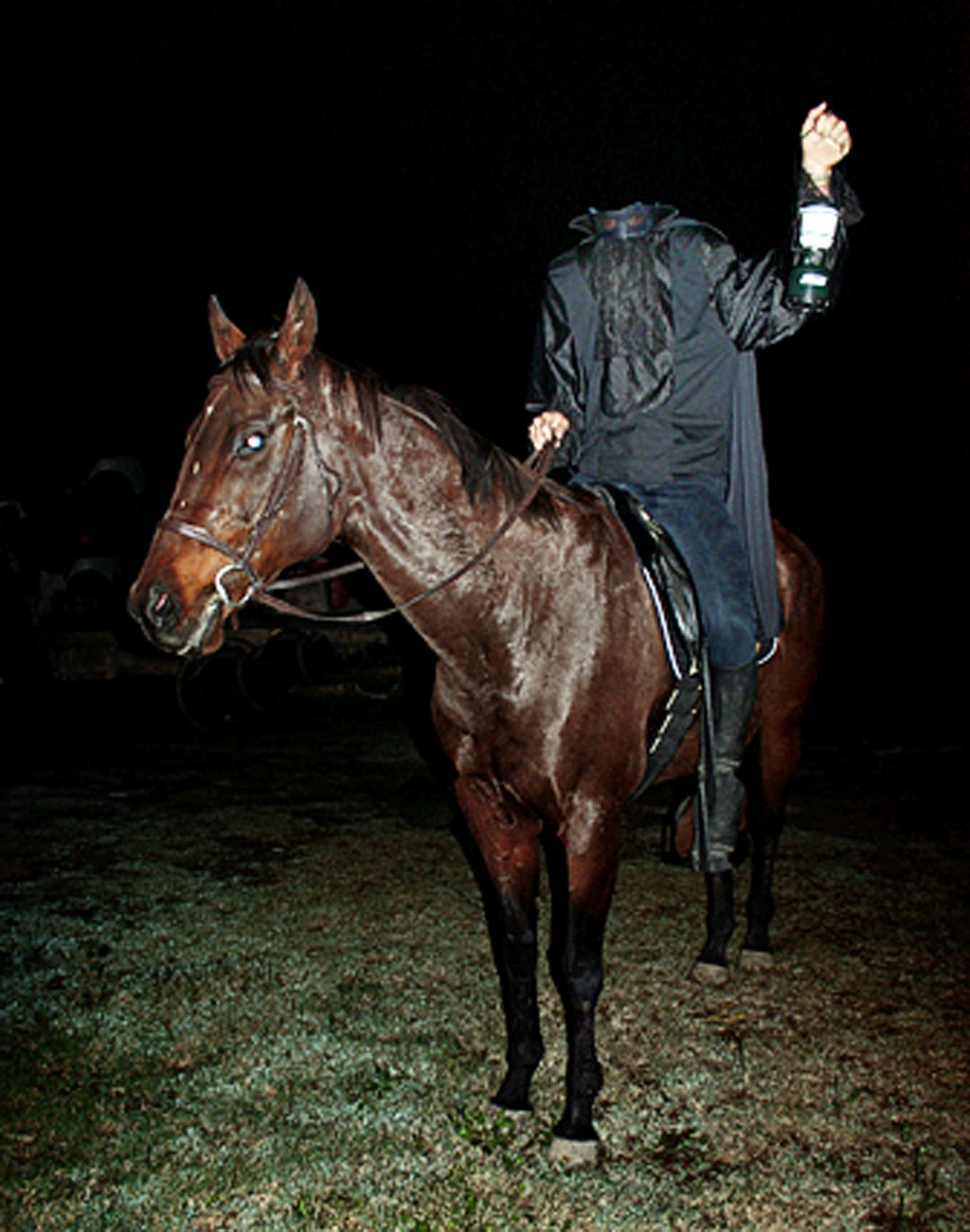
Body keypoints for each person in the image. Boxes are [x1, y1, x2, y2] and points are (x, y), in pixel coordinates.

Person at [526, 103, 860, 879]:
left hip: (688, 485)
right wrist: (548, 419)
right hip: (593, 486)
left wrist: (815, 185)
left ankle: (715, 802)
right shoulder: (565, 275)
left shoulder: (697, 252)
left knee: (737, 621)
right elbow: (558, 387)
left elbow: (788, 303)